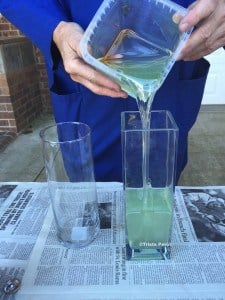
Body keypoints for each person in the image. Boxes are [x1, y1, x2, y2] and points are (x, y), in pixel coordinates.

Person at [0, 0, 223, 183]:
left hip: (172, 64)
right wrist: (53, 27)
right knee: (89, 190)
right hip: (86, 69)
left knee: (161, 177)